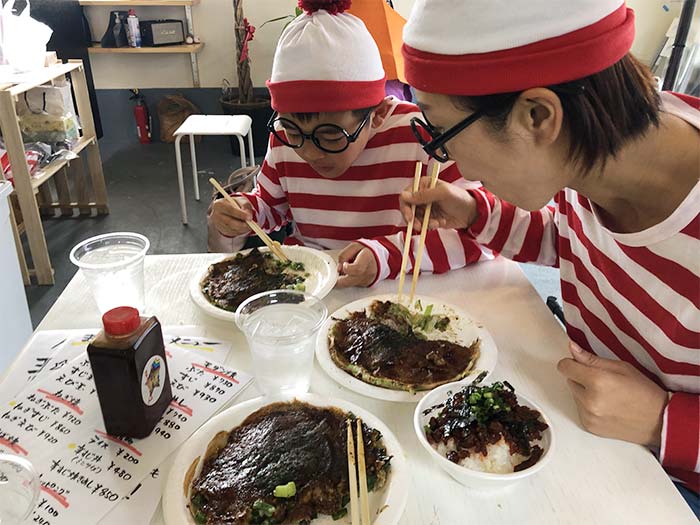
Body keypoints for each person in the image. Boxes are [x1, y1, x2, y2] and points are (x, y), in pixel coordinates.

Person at [399, 0, 699, 511]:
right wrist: (475, 212)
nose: (449, 162)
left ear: (537, 117)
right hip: (585, 428)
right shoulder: (598, 150)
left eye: (440, 133)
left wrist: (664, 421)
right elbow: (572, 241)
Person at [208, 0, 493, 288]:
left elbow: (483, 236)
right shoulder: (284, 138)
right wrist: (245, 211)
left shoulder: (425, 137)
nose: (308, 152)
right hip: (310, 284)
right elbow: (272, 206)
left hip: (402, 287)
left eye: (331, 136)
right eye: (294, 131)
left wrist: (388, 256)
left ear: (378, 114)